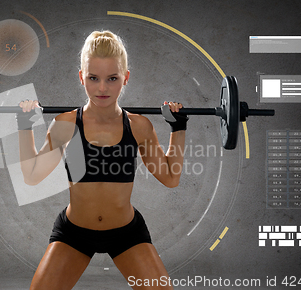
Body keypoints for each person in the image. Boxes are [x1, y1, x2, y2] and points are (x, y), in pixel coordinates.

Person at [17, 30, 187, 290]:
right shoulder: (65, 124)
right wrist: (24, 126)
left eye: (112, 78)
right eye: (94, 78)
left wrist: (178, 129)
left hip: (126, 233)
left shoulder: (138, 126)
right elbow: (32, 176)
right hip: (74, 233)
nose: (103, 88)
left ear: (125, 78)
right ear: (81, 77)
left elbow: (170, 178)